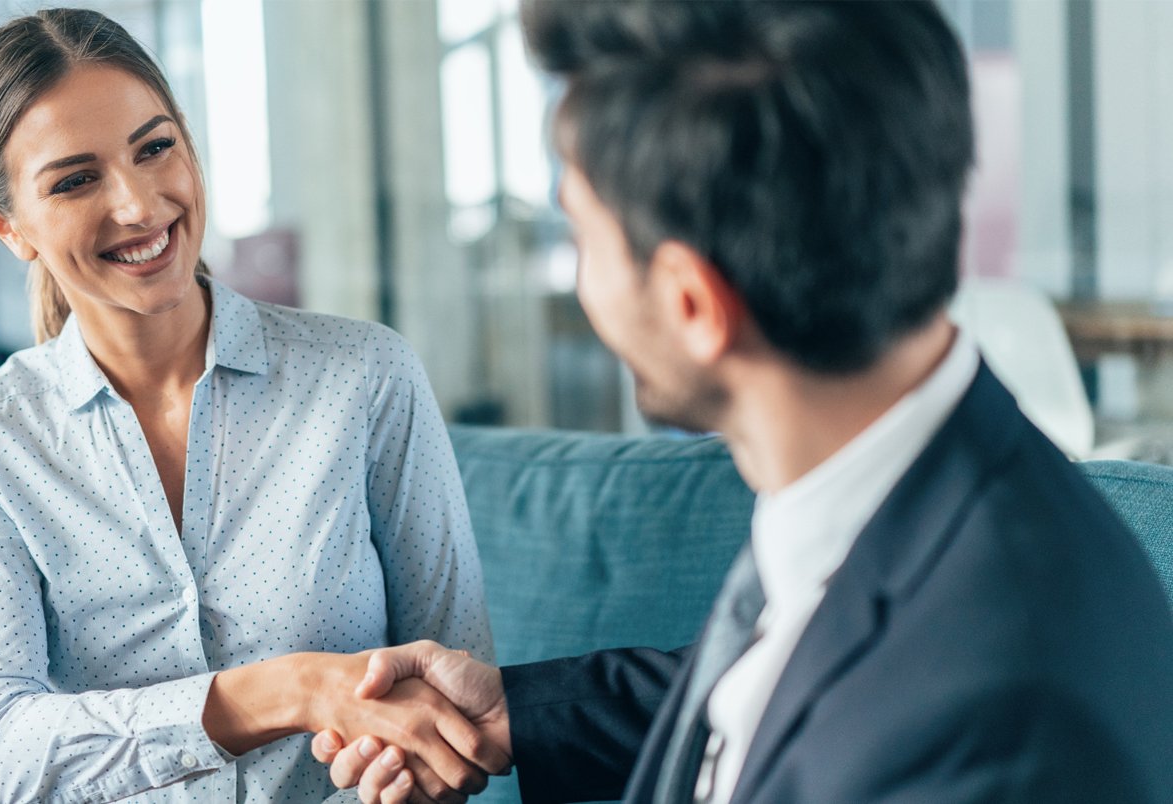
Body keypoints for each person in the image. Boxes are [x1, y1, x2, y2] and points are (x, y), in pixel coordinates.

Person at [313, 1, 1173, 802]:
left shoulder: (993, 724)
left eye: (581, 233)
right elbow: (803, 677)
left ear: (693, 304)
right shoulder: (892, 494)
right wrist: (515, 713)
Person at [0, 8, 503, 802]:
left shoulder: (365, 376)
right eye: (76, 179)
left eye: (154, 148)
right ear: (8, 226)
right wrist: (287, 691)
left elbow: (460, 690)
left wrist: (422, 764)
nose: (138, 204)